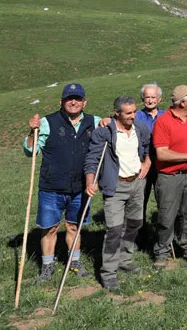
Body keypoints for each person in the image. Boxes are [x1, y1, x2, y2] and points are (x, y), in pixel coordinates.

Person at [23, 83, 101, 281]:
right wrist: (32, 132)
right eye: (69, 98)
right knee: (50, 228)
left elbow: (111, 132)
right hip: (52, 186)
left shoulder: (95, 122)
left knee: (74, 227)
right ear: (62, 102)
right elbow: (31, 151)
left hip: (80, 187)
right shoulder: (47, 122)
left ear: (84, 102)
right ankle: (47, 266)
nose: (73, 102)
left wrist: (109, 121)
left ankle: (74, 262)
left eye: (77, 98)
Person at [85, 96, 152, 291]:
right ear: (117, 113)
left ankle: (125, 260)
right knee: (114, 230)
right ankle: (109, 272)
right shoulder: (103, 133)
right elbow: (92, 159)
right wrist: (91, 181)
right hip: (115, 186)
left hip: (137, 182)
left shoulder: (140, 128)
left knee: (134, 223)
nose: (133, 116)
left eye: (134, 112)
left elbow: (147, 147)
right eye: (128, 113)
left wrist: (146, 162)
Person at [151, 85, 187, 268]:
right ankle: (162, 252)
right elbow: (162, 154)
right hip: (169, 177)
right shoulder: (163, 122)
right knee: (167, 216)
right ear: (182, 102)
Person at [135, 83, 164, 227]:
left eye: (153, 97)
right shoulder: (136, 116)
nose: (150, 100)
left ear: (159, 99)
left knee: (164, 200)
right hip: (142, 164)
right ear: (142, 99)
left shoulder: (166, 116)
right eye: (147, 97)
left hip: (162, 164)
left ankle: (163, 233)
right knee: (140, 200)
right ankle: (140, 234)